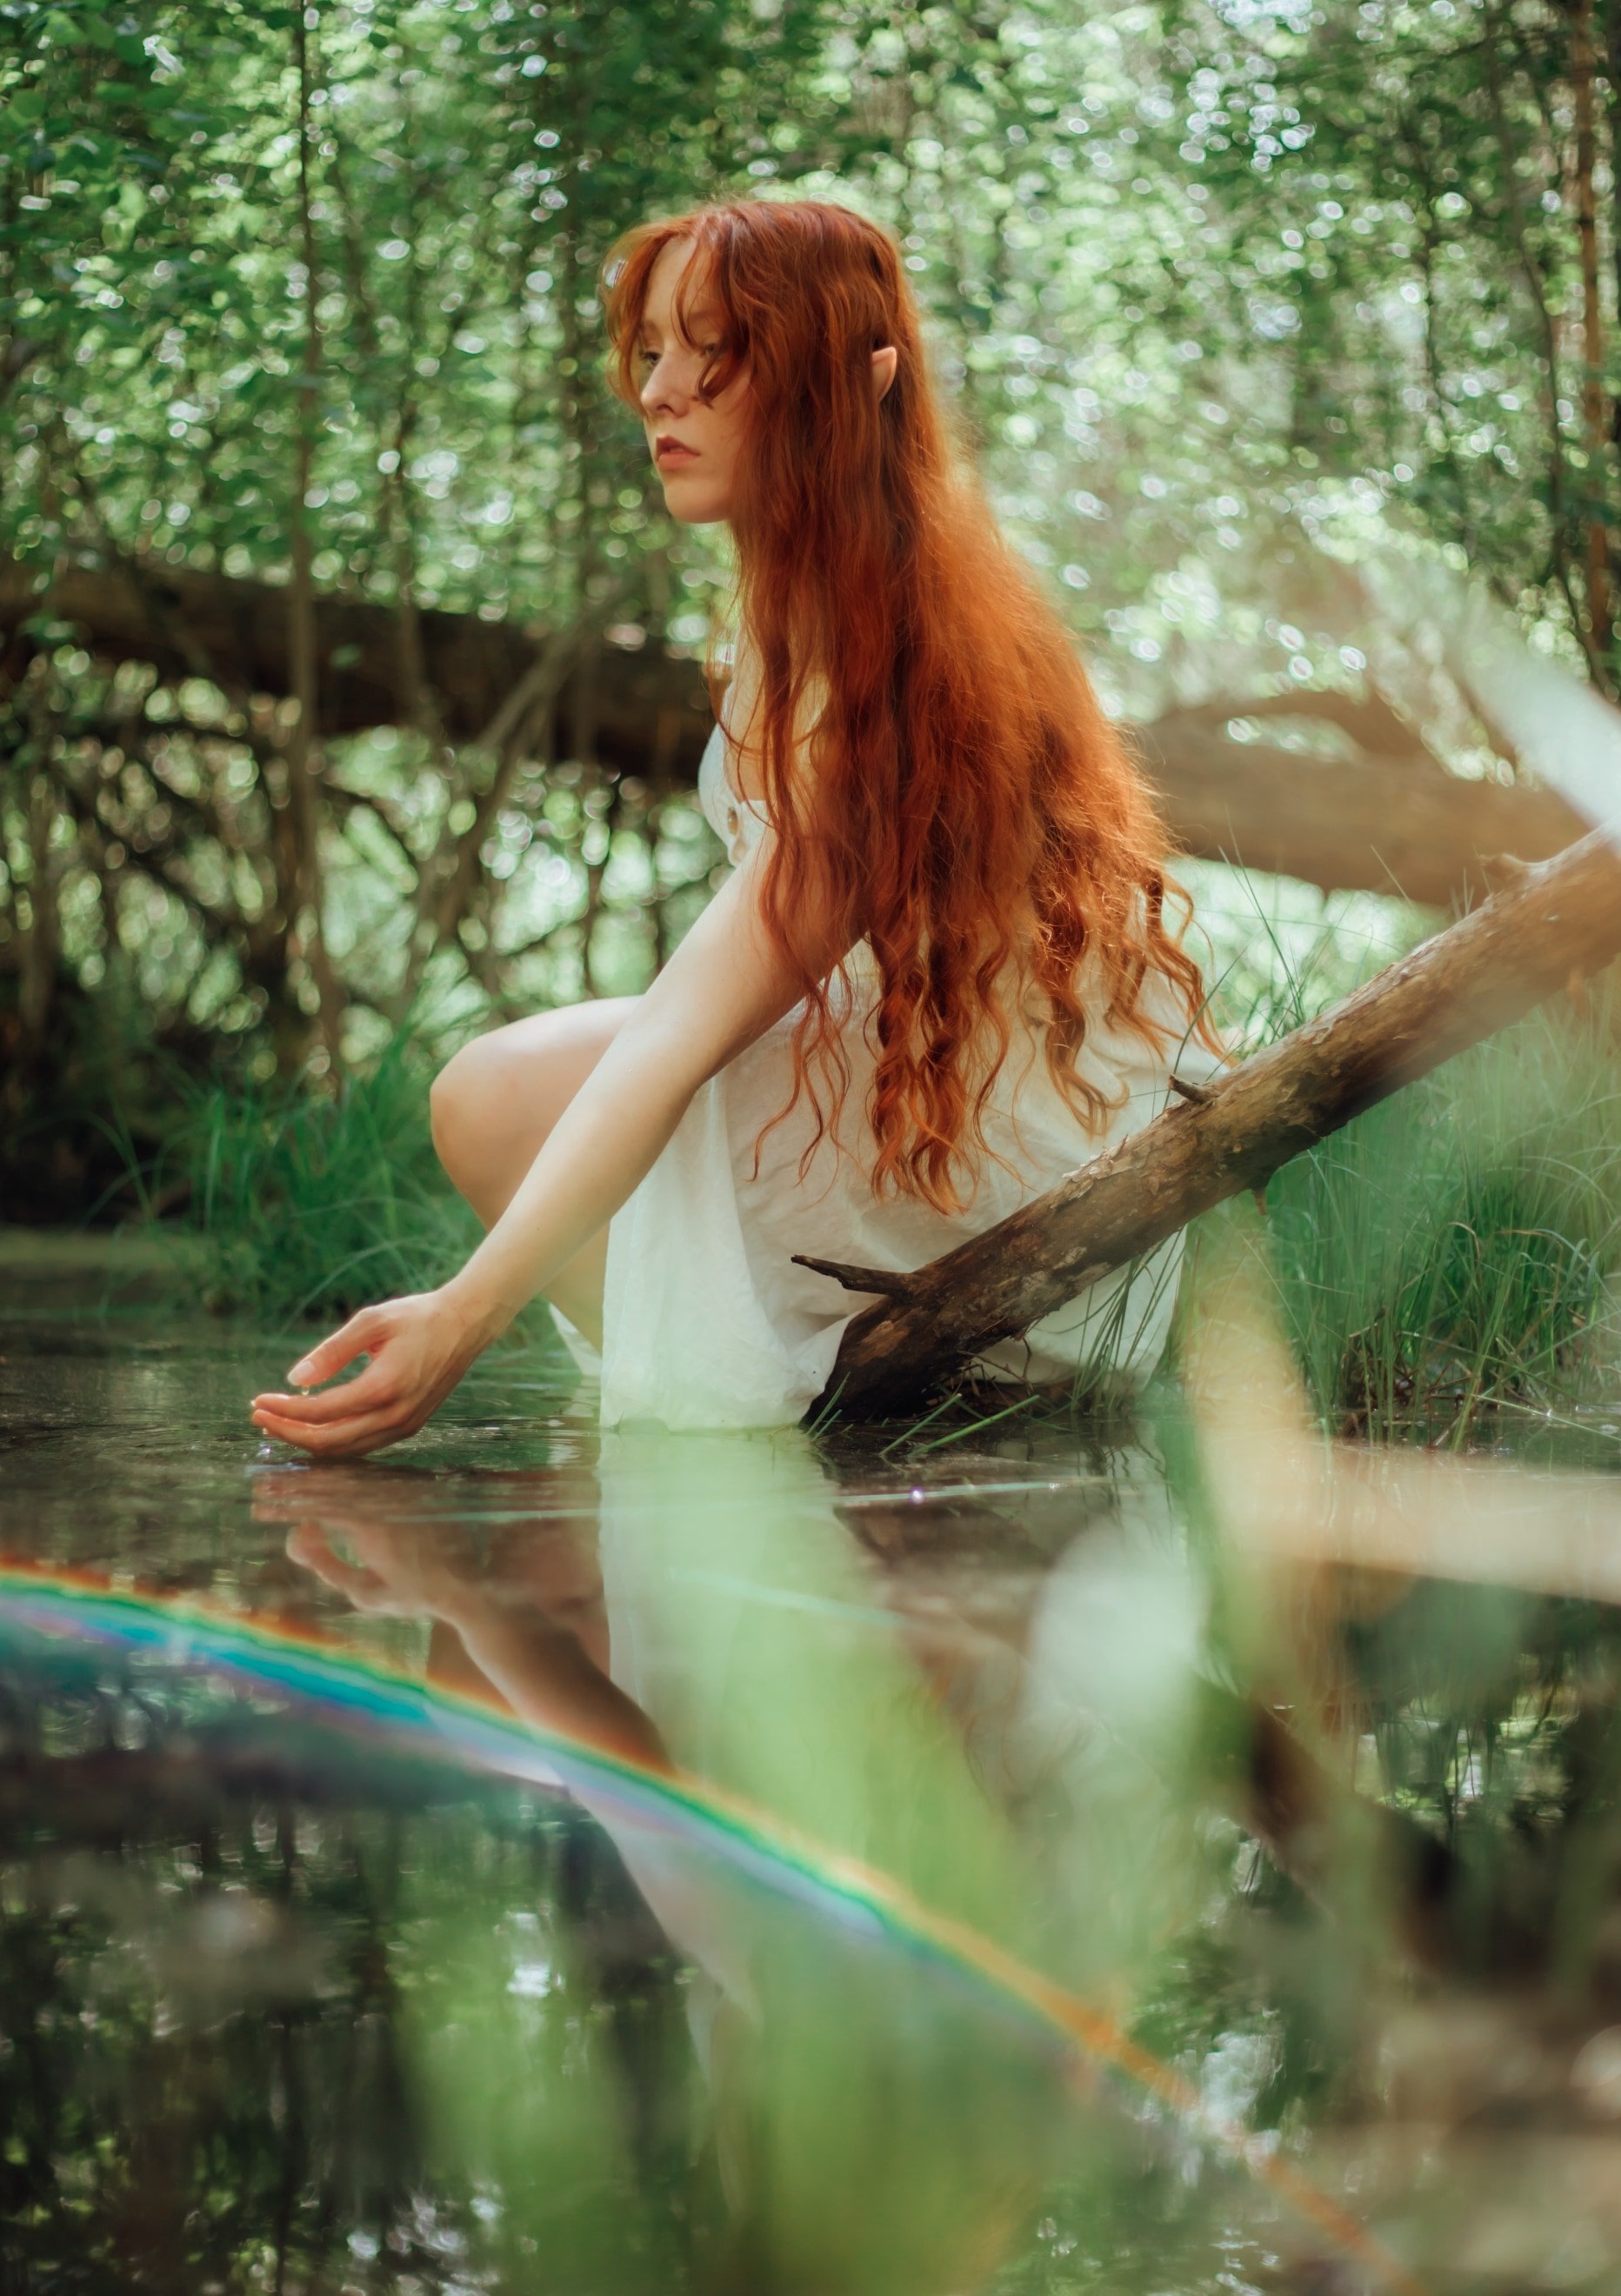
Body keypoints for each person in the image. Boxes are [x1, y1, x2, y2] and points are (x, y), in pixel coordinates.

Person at [251, 198, 1216, 1458]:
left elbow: (688, 1028)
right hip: (935, 1098)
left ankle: (759, 1421)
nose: (660, 392)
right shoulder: (819, 594)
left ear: (851, 382)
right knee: (495, 1095)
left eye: (716, 351)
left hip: (1006, 1171)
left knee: (506, 1093)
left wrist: (464, 1312)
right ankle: (742, 1414)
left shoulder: (905, 649)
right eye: (650, 351)